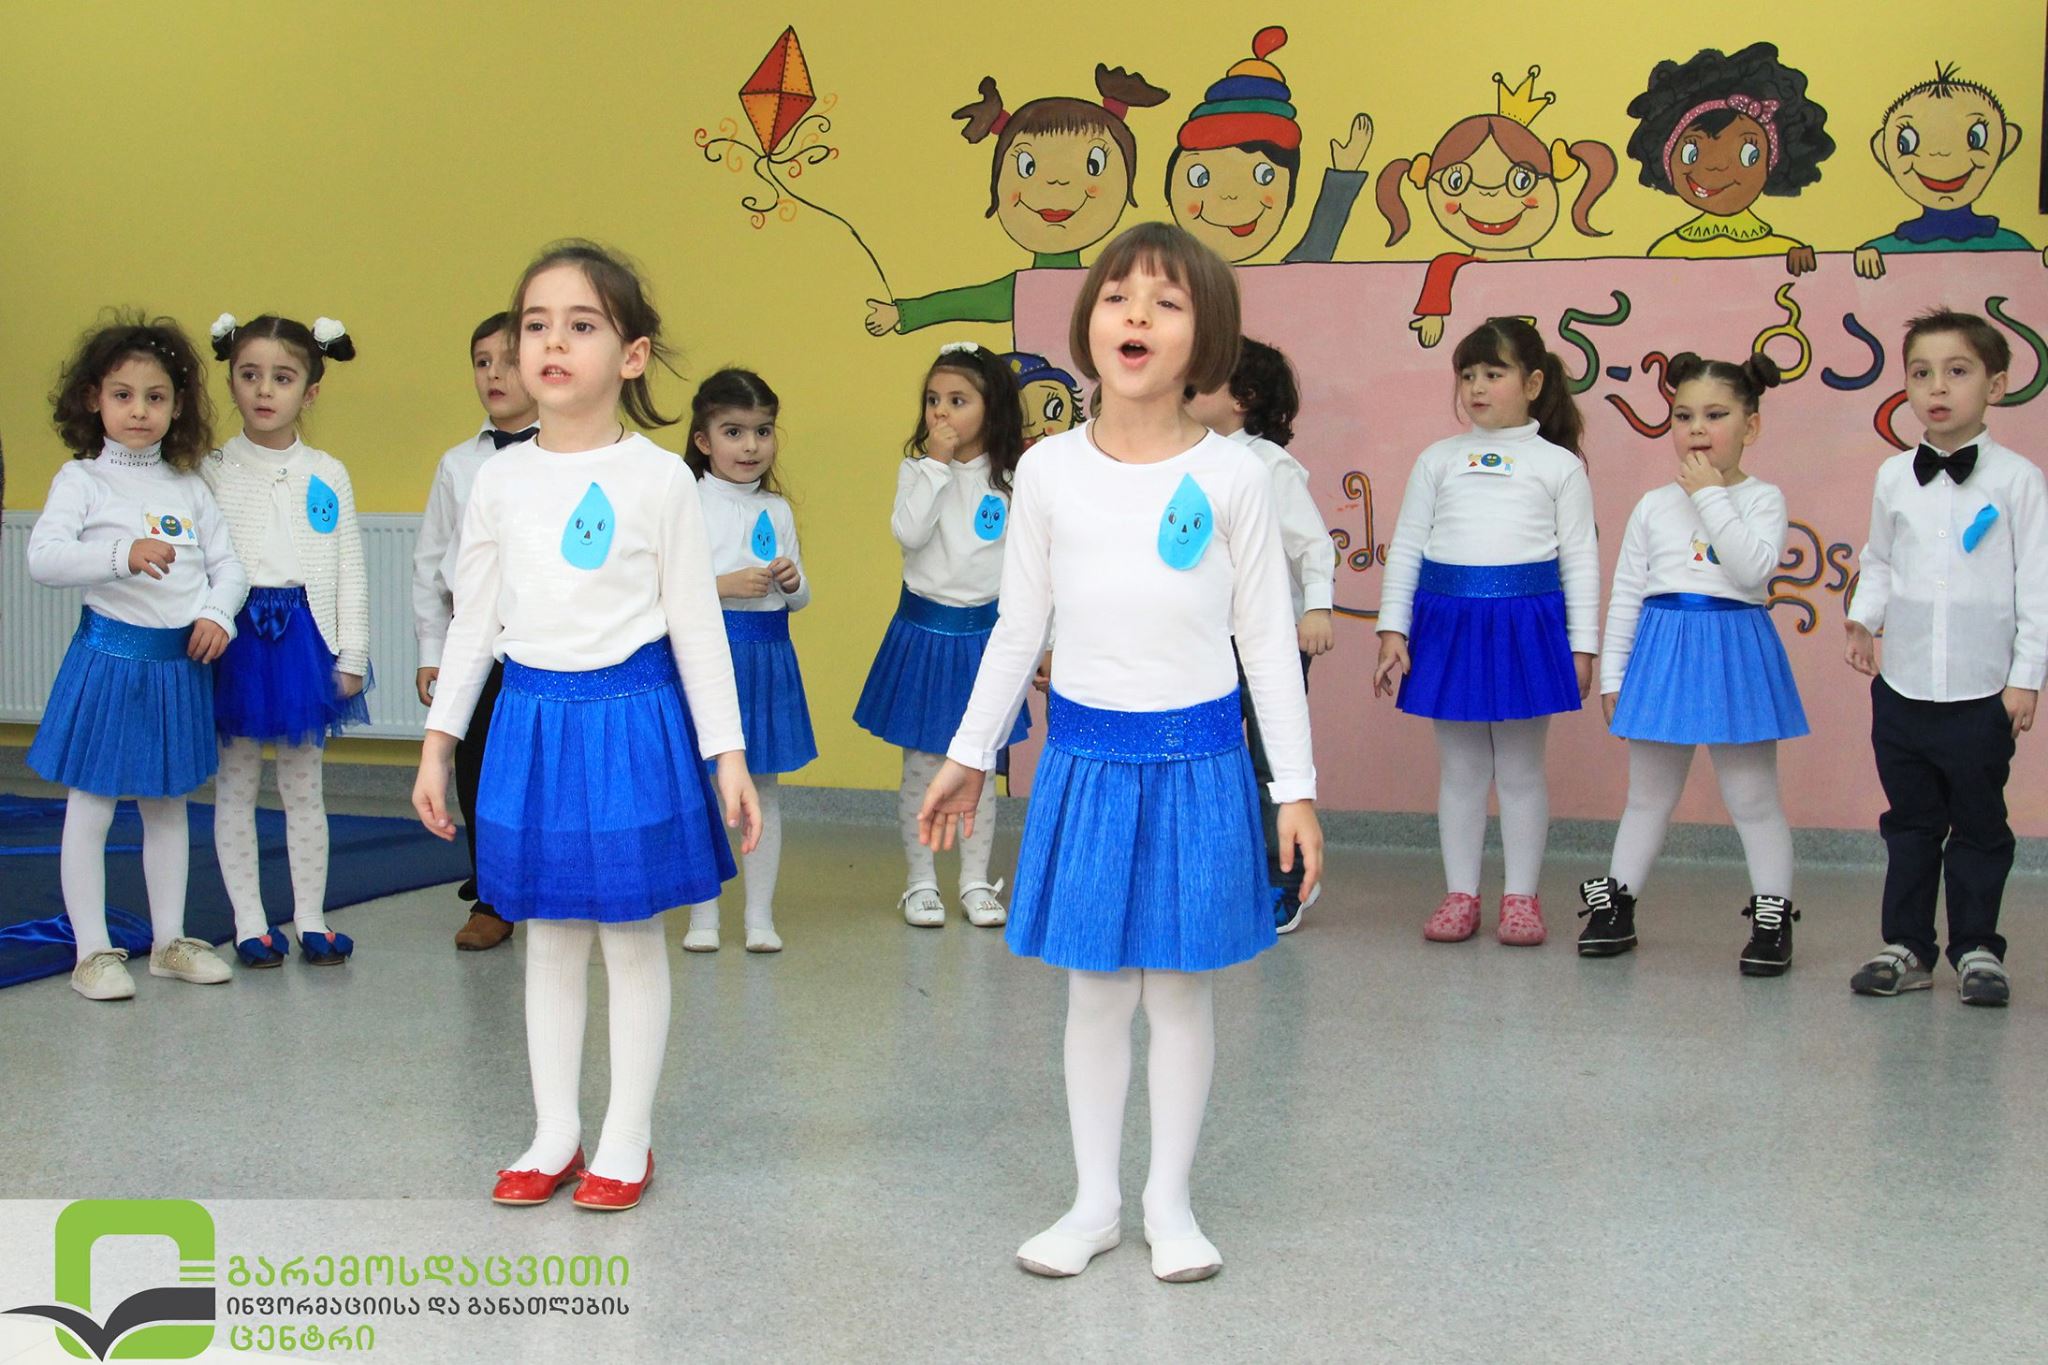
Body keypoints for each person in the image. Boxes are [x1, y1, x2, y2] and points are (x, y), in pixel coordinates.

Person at [922, 222, 1322, 1283]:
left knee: (1180, 991)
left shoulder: (1236, 475)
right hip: (1085, 762)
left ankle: (1167, 1203)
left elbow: (1265, 641)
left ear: (1206, 338)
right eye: (1116, 295)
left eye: (1166, 301)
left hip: (1201, 762)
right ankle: (1094, 1202)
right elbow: (1019, 625)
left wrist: (1293, 787)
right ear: (1088, 321)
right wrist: (969, 750)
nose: (1136, 314)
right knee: (1095, 992)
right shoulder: (1049, 470)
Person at [413, 241, 760, 1208]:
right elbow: (473, 621)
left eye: (580, 325)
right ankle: (554, 1130)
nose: (552, 343)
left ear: (632, 354)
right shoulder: (497, 480)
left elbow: (696, 623)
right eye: (536, 325)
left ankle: (625, 1138)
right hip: (530, 721)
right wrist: (439, 744)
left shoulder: (659, 480)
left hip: (631, 721)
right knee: (551, 932)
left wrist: (727, 753)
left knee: (629, 933)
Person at [28, 315, 247, 1000]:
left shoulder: (188, 486)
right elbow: (44, 558)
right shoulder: (82, 480)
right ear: (94, 398)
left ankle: (169, 941)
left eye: (155, 397)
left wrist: (216, 614)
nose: (138, 410)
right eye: (123, 395)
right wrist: (121, 553)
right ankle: (92, 951)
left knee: (168, 805)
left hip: (176, 669)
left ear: (176, 407)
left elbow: (229, 566)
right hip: (109, 663)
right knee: (91, 805)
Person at [1373, 316, 1598, 946]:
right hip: (1448, 625)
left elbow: (1581, 558)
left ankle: (1521, 897)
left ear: (1533, 383)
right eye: (1468, 374)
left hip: (1528, 627)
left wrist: (1582, 645)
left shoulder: (1559, 466)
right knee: (1462, 769)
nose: (1476, 386)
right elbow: (1409, 546)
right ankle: (1461, 894)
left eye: (1494, 373)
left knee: (1522, 768)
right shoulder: (1437, 459)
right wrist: (1393, 630)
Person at [1580, 352, 1807, 973]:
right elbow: (1627, 593)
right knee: (1647, 796)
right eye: (1683, 416)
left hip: (1735, 649)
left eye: (1715, 415)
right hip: (1662, 652)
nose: (1697, 429)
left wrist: (1710, 495)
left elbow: (1752, 569)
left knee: (1753, 797)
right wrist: (1615, 676)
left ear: (1751, 426)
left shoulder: (1763, 498)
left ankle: (1771, 918)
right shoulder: (1653, 505)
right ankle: (1617, 908)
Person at [1845, 308, 2044, 1006]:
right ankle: (1906, 945)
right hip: (1902, 689)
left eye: (1957, 371)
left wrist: (2025, 678)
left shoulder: (2019, 480)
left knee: (1980, 825)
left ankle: (1978, 948)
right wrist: (1863, 620)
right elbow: (1879, 559)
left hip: (1982, 691)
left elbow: (2037, 585)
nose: (1937, 387)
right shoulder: (1894, 476)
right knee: (1910, 823)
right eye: (1921, 372)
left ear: (1996, 385)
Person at [201, 313, 369, 967]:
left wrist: (352, 653)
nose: (264, 390)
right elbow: (202, 564)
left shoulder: (328, 471)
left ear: (310, 390)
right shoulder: (214, 469)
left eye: (282, 377)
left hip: (304, 639)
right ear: (232, 382)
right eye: (249, 375)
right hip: (237, 640)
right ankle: (249, 921)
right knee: (236, 784)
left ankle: (311, 917)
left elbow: (349, 567)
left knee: (304, 788)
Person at [854, 343, 1029, 928]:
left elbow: (1033, 567)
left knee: (980, 764)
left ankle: (975, 881)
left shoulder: (1014, 479)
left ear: (991, 407)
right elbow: (909, 534)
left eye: (958, 400)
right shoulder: (918, 470)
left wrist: (1044, 644)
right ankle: (920, 882)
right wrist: (935, 465)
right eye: (933, 400)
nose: (941, 412)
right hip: (926, 634)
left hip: (986, 641)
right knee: (923, 766)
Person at [1186, 337, 1334, 932]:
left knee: (1274, 763)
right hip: (1209, 640)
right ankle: (1234, 872)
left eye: (1203, 380)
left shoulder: (1268, 465)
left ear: (1242, 398)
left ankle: (1288, 880)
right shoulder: (1189, 461)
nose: (1187, 388)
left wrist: (1317, 608)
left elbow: (1312, 545)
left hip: (1270, 642)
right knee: (1219, 761)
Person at [413, 312, 541, 950]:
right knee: (478, 768)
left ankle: (549, 884)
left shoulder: (566, 458)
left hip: (542, 641)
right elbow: (430, 562)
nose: (494, 374)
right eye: (483, 362)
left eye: (509, 361)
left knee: (540, 769)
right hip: (476, 643)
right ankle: (490, 895)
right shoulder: (458, 465)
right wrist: (430, 650)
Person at [682, 368, 814, 954]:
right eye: (733, 432)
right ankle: (703, 917)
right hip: (707, 658)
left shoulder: (777, 509)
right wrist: (722, 586)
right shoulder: (686, 501)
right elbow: (663, 592)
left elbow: (801, 598)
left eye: (763, 431)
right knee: (705, 790)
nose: (751, 446)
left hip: (767, 657)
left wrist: (792, 581)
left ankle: (759, 917)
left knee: (763, 789)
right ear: (704, 440)